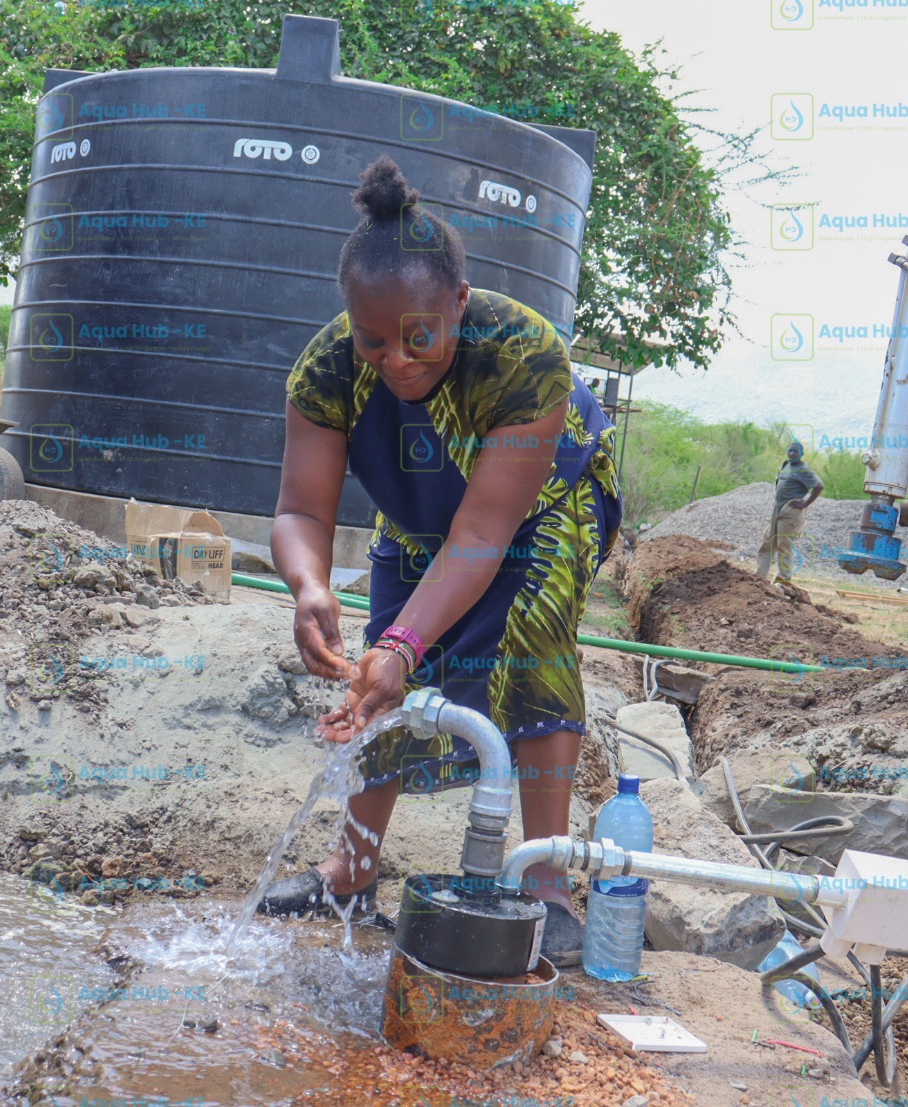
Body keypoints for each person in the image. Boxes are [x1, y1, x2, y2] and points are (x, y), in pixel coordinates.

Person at [255, 155, 621, 966]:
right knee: (381, 664)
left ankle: (546, 882)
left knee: (531, 631)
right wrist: (310, 585)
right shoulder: (326, 370)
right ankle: (351, 867)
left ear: (459, 303)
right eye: (373, 339)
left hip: (545, 503)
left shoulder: (524, 356)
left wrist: (405, 646)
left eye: (420, 334)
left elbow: (486, 534)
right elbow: (299, 511)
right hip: (421, 518)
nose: (396, 357)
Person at [757, 440, 823, 583]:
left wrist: (805, 504)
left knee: (784, 545)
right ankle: (759, 578)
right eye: (790, 451)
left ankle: (784, 580)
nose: (792, 453)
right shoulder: (786, 465)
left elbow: (818, 486)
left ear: (802, 454)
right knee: (768, 542)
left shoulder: (804, 469)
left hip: (790, 511)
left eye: (796, 451)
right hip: (778, 508)